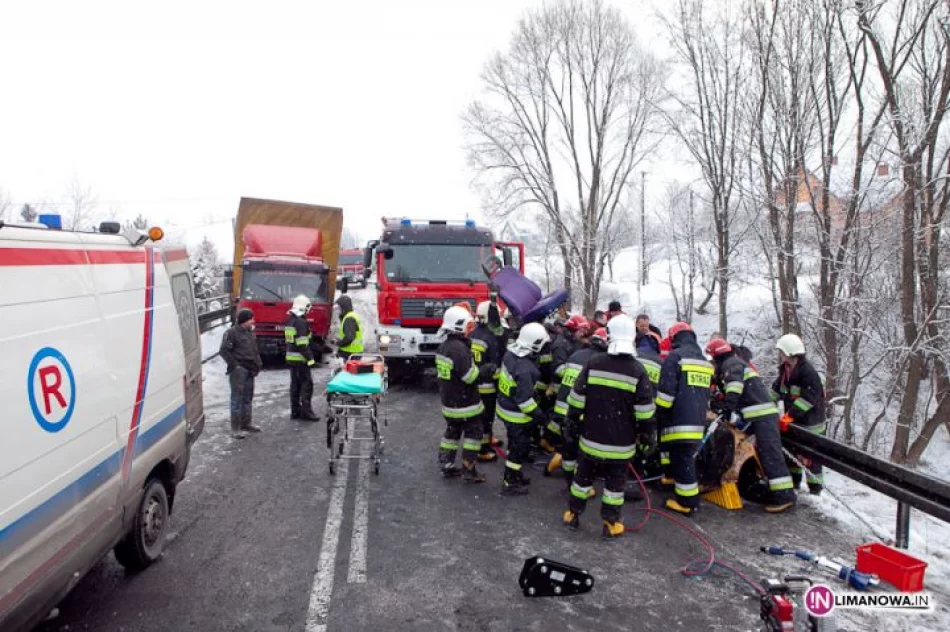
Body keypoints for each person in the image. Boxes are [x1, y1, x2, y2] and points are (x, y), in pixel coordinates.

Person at [562, 315, 656, 538]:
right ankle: (610, 523)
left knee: (582, 477)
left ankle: (573, 514)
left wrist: (572, 421)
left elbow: (576, 398)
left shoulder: (593, 363)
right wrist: (647, 435)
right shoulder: (637, 370)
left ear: (609, 336)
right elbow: (645, 411)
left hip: (591, 437)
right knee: (615, 485)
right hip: (621, 445)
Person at [707, 337, 796, 513]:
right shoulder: (733, 363)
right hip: (754, 416)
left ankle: (785, 496)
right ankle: (771, 490)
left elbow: (734, 387)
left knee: (770, 454)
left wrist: (727, 408)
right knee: (763, 453)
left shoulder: (731, 364)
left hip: (763, 416)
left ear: (716, 356)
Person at [654, 322, 713, 515]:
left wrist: (658, 414)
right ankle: (675, 484)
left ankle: (688, 503)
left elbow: (666, 395)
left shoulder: (675, 357)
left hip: (677, 419)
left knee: (682, 458)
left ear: (674, 339)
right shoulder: (705, 361)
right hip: (697, 420)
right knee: (684, 456)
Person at [435, 306, 496, 482]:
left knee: (452, 433)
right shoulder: (459, 349)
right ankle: (469, 470)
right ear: (459, 326)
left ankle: (446, 465)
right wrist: (485, 370)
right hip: (465, 404)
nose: (471, 329)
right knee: (474, 434)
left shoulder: (444, 347)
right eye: (469, 326)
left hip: (449, 402)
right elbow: (470, 377)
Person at [496, 322, 550, 495]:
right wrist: (541, 417)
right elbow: (525, 402)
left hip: (504, 407)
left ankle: (515, 475)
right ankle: (510, 482)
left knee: (514, 444)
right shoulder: (526, 369)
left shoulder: (510, 354)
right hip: (516, 416)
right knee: (519, 448)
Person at [548, 323, 603, 487]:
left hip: (562, 408)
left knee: (569, 447)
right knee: (582, 450)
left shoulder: (576, 354)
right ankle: (577, 482)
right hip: (577, 411)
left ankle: (567, 476)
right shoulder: (598, 362)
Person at [772, 333, 826, 495]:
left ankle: (815, 490)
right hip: (796, 423)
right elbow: (777, 391)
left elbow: (808, 399)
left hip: (811, 425)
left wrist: (790, 415)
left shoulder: (808, 373)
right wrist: (764, 401)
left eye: (782, 352)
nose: (780, 356)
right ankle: (794, 484)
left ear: (789, 353)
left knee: (811, 459)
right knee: (793, 454)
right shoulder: (786, 371)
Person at [471, 296, 507, 462]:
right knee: (486, 418)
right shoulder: (490, 338)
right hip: (487, 387)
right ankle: (483, 450)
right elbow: (495, 366)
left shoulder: (473, 334)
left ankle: (487, 439)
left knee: (481, 417)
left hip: (473, 383)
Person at [220, 308, 263, 438]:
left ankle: (246, 423)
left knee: (248, 398)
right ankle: (235, 428)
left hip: (250, 369)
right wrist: (235, 366)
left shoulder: (250, 333)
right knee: (237, 399)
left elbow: (255, 350)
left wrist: (258, 365)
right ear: (244, 320)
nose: (253, 321)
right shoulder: (231, 333)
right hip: (239, 371)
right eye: (251, 319)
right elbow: (224, 351)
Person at [285, 295, 319, 421]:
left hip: (291, 358)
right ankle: (307, 412)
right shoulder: (301, 322)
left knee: (295, 385)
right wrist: (310, 358)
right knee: (307, 384)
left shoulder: (290, 320)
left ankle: (295, 411)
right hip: (300, 359)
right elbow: (302, 343)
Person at [335, 294, 363, 361]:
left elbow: (349, 337)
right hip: (352, 352)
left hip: (350, 354)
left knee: (347, 371)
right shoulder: (350, 316)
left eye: (339, 308)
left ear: (344, 308)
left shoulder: (349, 318)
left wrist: (339, 343)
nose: (338, 310)